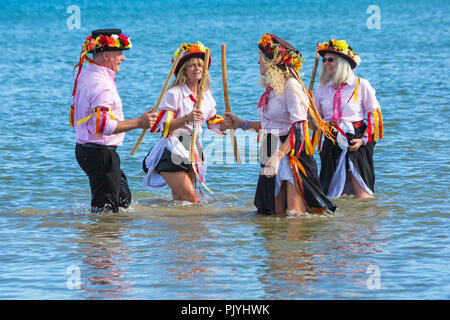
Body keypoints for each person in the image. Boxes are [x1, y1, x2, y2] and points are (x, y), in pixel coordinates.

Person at [224, 34, 336, 216]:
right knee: (275, 214)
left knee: (294, 213)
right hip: (270, 147)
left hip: (291, 153)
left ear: (271, 62)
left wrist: (278, 156)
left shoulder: (291, 85)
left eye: (260, 58)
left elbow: (299, 128)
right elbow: (272, 125)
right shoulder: (271, 89)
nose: (257, 62)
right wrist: (241, 124)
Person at [70, 29, 157, 213]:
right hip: (99, 153)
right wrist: (140, 122)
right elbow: (103, 126)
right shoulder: (102, 84)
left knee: (123, 197)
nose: (123, 58)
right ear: (106, 55)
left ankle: (108, 235)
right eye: (120, 53)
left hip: (88, 150)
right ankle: (102, 239)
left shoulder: (86, 74)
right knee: (106, 211)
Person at [143, 42, 228, 203]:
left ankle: (179, 227)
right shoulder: (174, 94)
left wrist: (228, 124)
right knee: (191, 199)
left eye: (199, 65)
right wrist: (186, 119)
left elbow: (213, 122)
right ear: (184, 70)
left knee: (181, 202)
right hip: (173, 149)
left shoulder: (206, 96)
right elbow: (162, 126)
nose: (197, 68)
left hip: (194, 148)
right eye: (192, 66)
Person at [314, 39, 383, 199]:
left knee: (363, 195)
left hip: (356, 140)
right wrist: (309, 113)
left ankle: (364, 221)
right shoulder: (321, 89)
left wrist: (363, 140)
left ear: (343, 62)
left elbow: (375, 116)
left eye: (330, 59)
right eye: (324, 60)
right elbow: (317, 122)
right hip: (331, 140)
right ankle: (338, 223)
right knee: (331, 194)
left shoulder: (361, 84)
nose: (326, 63)